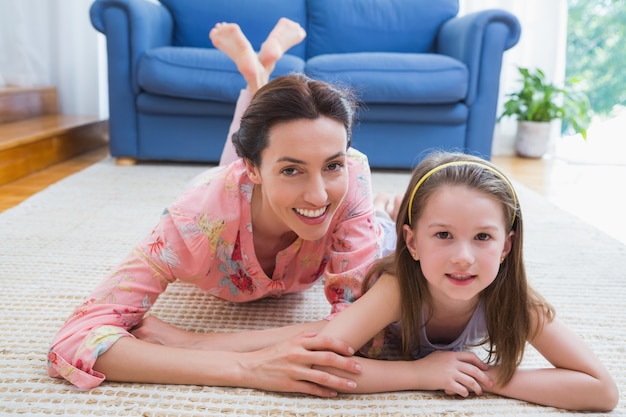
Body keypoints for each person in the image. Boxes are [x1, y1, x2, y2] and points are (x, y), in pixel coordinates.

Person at [47, 19, 397, 397]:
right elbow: (75, 339)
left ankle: (258, 72)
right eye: (292, 170)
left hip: (255, 179)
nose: (318, 194)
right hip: (222, 195)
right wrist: (248, 367)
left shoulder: (353, 176)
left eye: (332, 165)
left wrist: (199, 342)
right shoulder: (192, 224)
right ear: (251, 170)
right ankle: (254, 76)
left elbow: (363, 328)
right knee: (240, 158)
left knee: (278, 150)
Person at [310, 151, 618, 411]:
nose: (463, 257)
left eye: (482, 236)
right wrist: (420, 374)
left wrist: (481, 376)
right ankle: (383, 211)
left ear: (506, 247)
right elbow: (320, 363)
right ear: (413, 242)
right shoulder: (395, 288)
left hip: (418, 245)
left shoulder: (512, 299)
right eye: (444, 234)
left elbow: (602, 390)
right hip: (384, 249)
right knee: (370, 234)